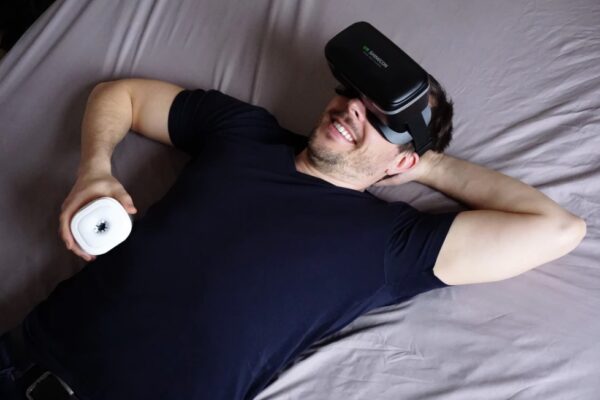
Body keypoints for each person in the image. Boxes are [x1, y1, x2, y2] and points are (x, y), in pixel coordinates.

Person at [6, 76, 586, 399]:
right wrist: (95, 168)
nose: (352, 107)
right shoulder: (244, 133)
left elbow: (557, 228)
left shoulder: (391, 244)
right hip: (20, 364)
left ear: (406, 159)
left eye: (381, 116)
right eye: (353, 92)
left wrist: (425, 164)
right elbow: (121, 96)